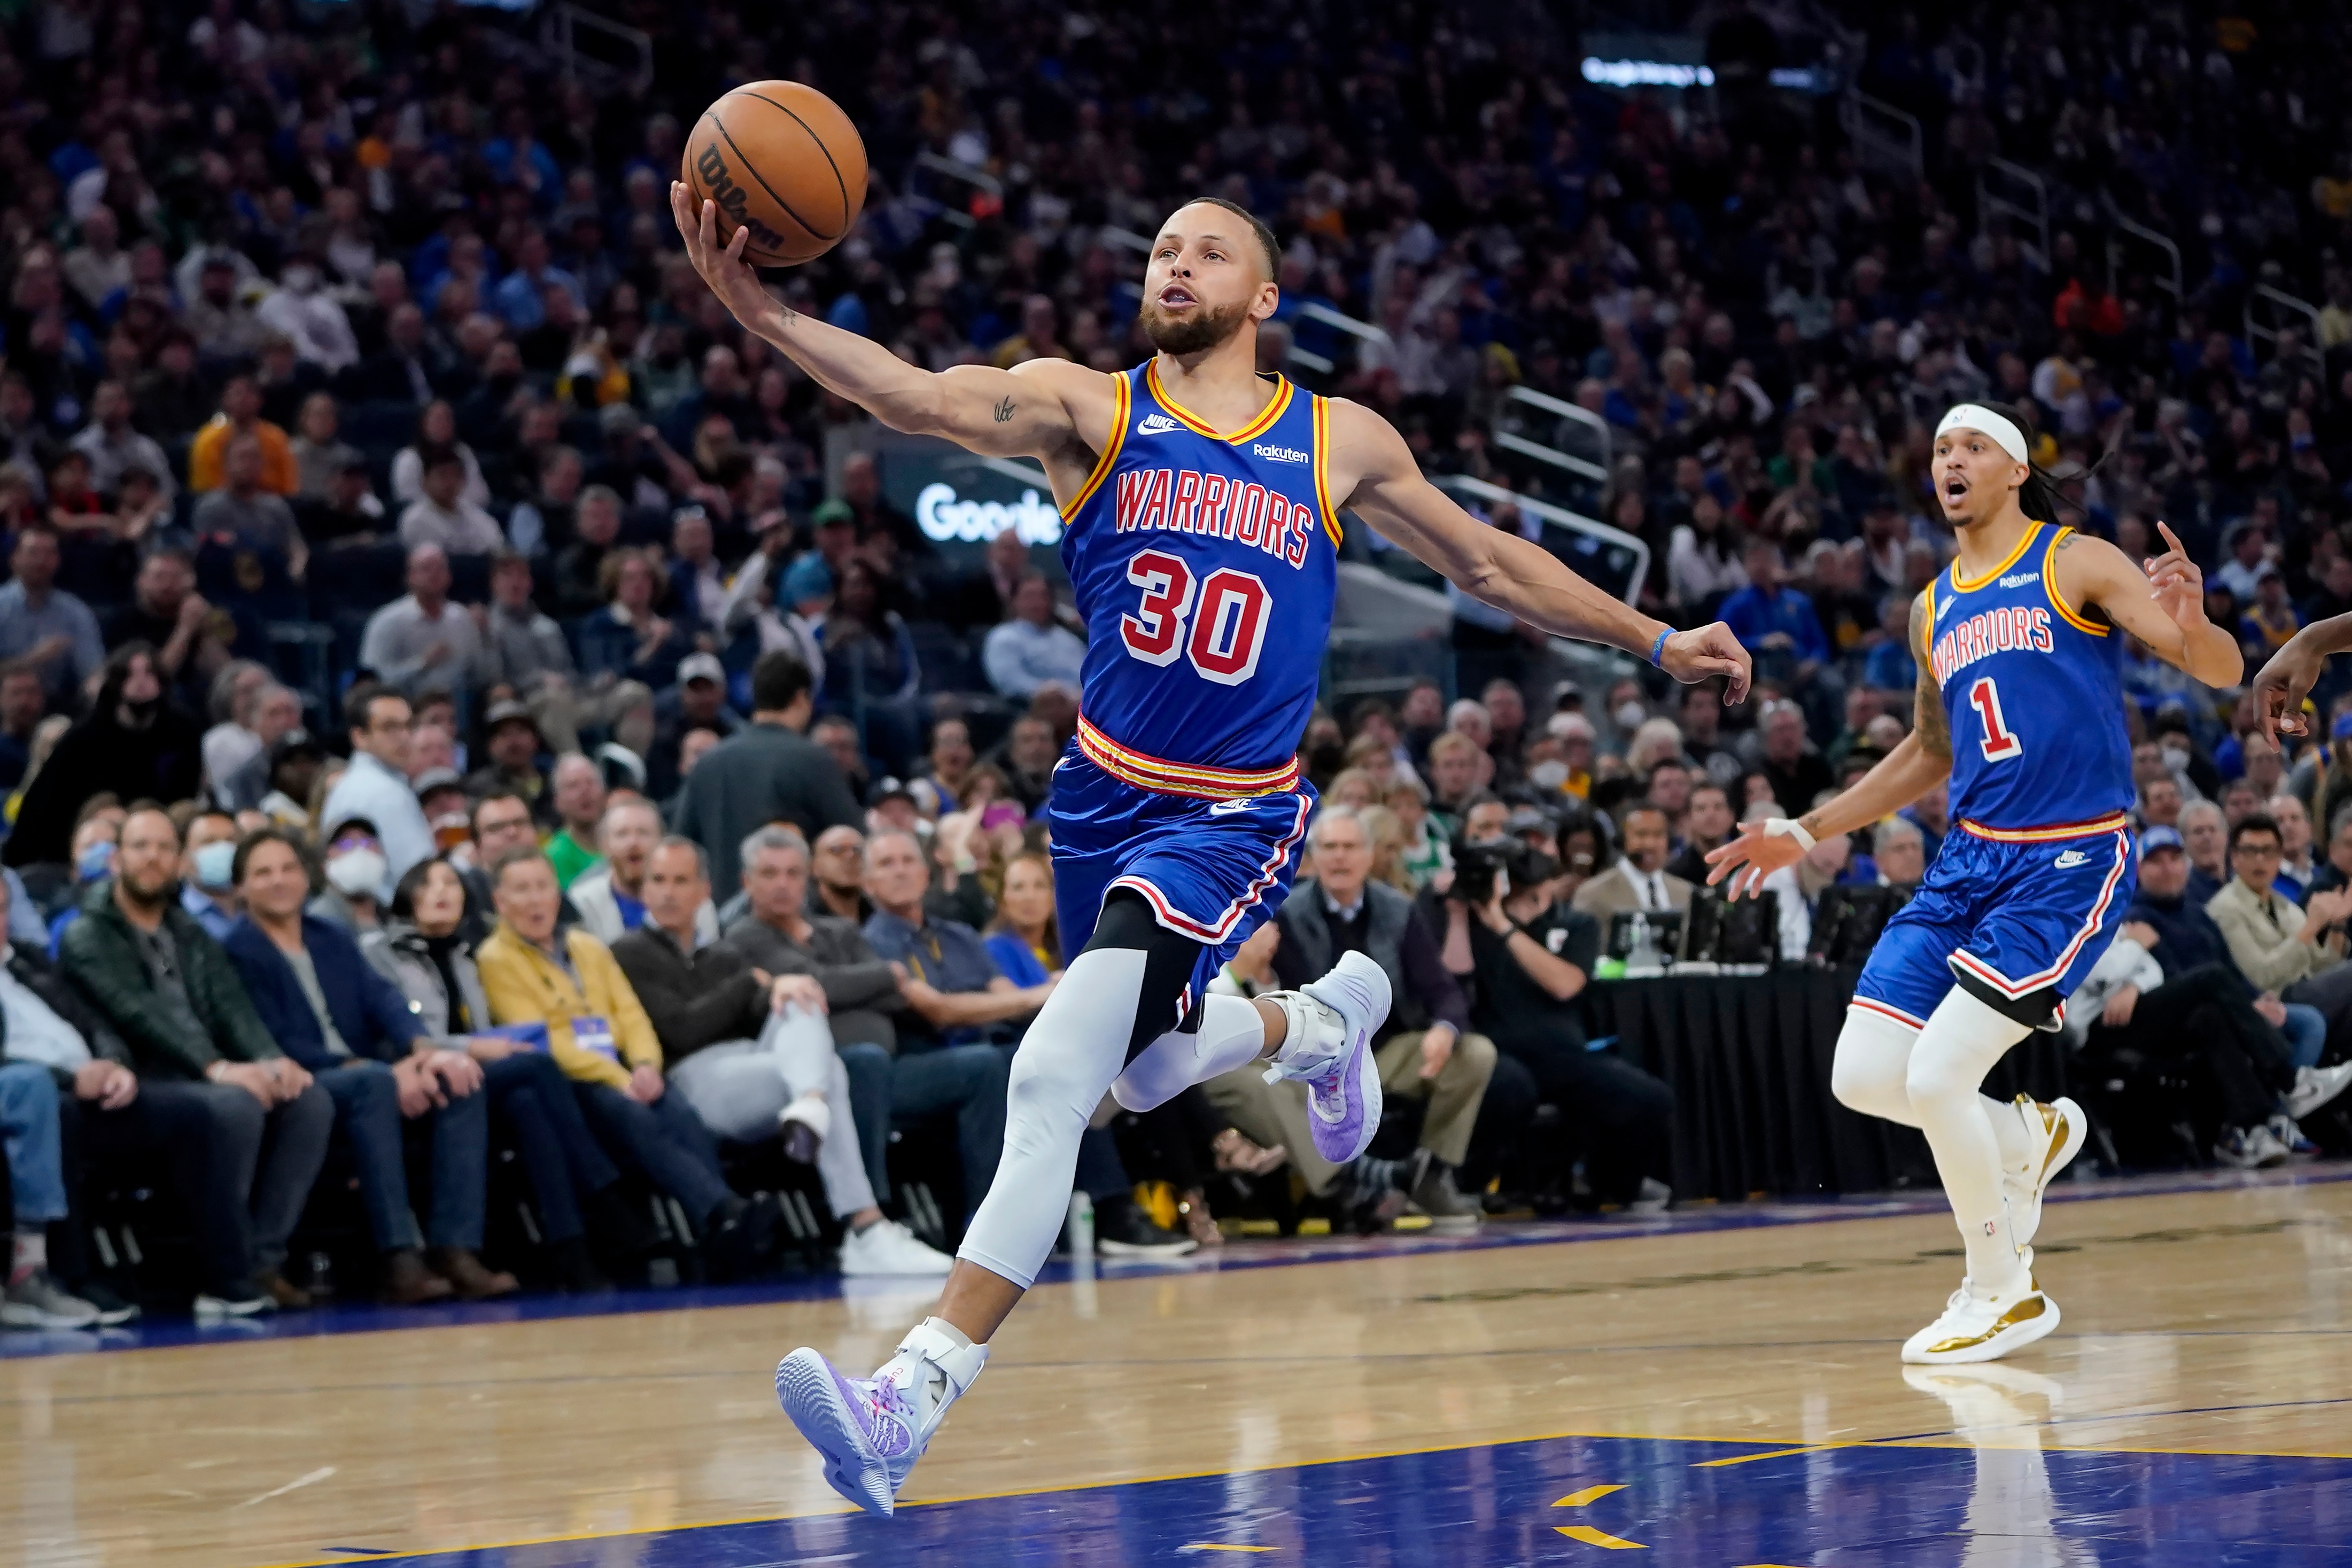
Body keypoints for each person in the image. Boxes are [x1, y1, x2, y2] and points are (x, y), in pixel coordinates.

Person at [676, 185, 1753, 1509]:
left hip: (1226, 809)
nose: (1173, 263)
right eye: (1161, 248)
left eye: (1206, 250)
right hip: (1095, 801)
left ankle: (913, 1392)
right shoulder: (1089, 406)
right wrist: (763, 310)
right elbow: (914, 397)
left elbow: (1488, 565)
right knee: (1141, 1075)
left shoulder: (1334, 439)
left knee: (1050, 1075)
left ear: (1264, 297)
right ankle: (1316, 1026)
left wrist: (1654, 640)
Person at [1711, 400, 2242, 1367]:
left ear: (2011, 470)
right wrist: (1805, 826)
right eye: (1940, 448)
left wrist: (2196, 621)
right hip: (1969, 859)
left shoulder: (2072, 559)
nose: (1948, 459)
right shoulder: (1931, 606)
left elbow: (2217, 666)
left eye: (1970, 446)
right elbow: (1928, 749)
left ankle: (2002, 1289)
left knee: (1939, 1071)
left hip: (2069, 855)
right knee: (1864, 1072)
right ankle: (2025, 1135)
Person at [613, 834, 953, 1276]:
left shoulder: (723, 952)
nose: (668, 892)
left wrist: (778, 986)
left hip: (754, 1060)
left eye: (681, 881)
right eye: (658, 880)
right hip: (694, 1077)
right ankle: (866, 1229)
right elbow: (682, 1028)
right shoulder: (628, 952)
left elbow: (757, 1011)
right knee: (828, 1065)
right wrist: (755, 983)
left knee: (800, 998)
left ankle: (813, 1109)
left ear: (704, 890)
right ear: (644, 889)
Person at [59, 806, 334, 1313]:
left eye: (165, 848)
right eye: (141, 847)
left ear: (181, 862)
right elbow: (138, 1016)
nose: (153, 859)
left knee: (308, 1099)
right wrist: (219, 1069)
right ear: (117, 859)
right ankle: (223, 1275)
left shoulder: (188, 931)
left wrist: (271, 1059)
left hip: (207, 1074)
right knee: (234, 1106)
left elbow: (232, 1006)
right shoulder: (88, 935)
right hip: (139, 1081)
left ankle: (261, 1259)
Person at [223, 830, 516, 1303]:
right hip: (303, 1077)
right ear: (241, 887)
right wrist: (370, 1065)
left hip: (370, 1069)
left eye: (288, 869)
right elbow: (271, 1038)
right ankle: (397, 1255)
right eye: (263, 873)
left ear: (306, 877)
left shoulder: (330, 935)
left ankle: (455, 1247)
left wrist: (422, 1049)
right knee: (373, 1082)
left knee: (460, 1075)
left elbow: (383, 997)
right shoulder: (236, 950)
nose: (279, 881)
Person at [475, 844, 781, 1278]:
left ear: (557, 894)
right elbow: (542, 1040)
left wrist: (645, 1065)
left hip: (622, 1069)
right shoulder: (495, 958)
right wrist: (618, 1076)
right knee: (629, 1111)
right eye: (521, 890)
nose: (534, 900)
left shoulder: (587, 946)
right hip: (570, 1082)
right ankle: (723, 1211)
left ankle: (721, 1225)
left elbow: (630, 1014)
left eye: (542, 887)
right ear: (500, 902)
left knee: (675, 1107)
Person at [367, 858, 620, 1293]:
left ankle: (569, 1246)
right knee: (538, 1067)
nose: (442, 891)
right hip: (422, 1072)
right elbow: (396, 1035)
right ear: (407, 895)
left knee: (529, 1105)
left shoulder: (470, 954)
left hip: (479, 1075)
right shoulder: (380, 953)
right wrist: (469, 1049)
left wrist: (481, 1049)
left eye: (451, 882)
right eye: (427, 884)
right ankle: (602, 1190)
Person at [671, 651, 864, 902]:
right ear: (801, 698)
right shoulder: (812, 760)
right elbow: (852, 841)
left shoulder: (708, 763)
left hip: (720, 920)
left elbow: (681, 847)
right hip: (791, 916)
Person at [6, 643, 203, 871]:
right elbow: (41, 807)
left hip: (163, 839)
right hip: (86, 848)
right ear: (115, 683)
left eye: (148, 673)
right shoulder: (82, 740)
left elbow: (189, 791)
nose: (140, 682)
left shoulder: (183, 732)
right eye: (129, 674)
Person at [320, 682, 435, 892]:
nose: (404, 737)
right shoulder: (385, 792)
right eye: (390, 728)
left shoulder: (348, 785)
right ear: (359, 737)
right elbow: (416, 878)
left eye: (409, 726)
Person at [0, 524, 104, 708]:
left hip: (56, 705)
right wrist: (33, 659)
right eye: (32, 553)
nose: (41, 561)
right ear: (14, 559)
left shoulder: (75, 612)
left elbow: (93, 672)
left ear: (58, 561)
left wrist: (99, 694)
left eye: (49, 554)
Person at [360, 546, 484, 698]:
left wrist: (485, 635)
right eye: (426, 569)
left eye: (440, 569)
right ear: (410, 577)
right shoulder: (387, 621)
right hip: (405, 705)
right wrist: (420, 664)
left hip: (456, 707)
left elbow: (480, 674)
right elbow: (371, 683)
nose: (434, 574)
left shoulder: (462, 618)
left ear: (449, 577)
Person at [569, 795, 679, 943]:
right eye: (622, 834)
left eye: (643, 832)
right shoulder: (581, 903)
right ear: (604, 845)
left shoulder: (694, 900)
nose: (633, 842)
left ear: (662, 843)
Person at [1572, 803, 1694, 919]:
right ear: (1623, 839)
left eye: (1658, 835)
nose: (1650, 844)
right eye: (1641, 835)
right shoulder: (1592, 894)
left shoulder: (1687, 894)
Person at [981, 573, 1086, 698]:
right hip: (1036, 707)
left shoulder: (1067, 638)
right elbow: (1010, 683)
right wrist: (1060, 695)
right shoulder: (1003, 638)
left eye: (1044, 596)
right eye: (1029, 596)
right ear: (1014, 601)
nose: (1038, 603)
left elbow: (1087, 676)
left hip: (1083, 705)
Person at [542, 754, 608, 889]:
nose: (585, 791)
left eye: (590, 782)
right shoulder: (554, 856)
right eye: (573, 786)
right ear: (557, 802)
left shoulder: (623, 842)